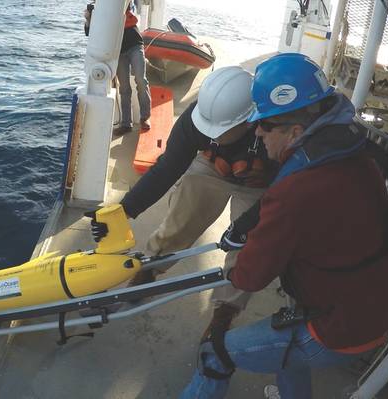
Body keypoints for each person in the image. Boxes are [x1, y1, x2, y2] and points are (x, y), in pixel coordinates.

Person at [179, 53, 388, 399]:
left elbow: (250, 276)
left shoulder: (297, 190)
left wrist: (238, 265)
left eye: (266, 124)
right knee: (289, 355)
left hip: (338, 328)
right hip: (379, 303)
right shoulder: (359, 153)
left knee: (214, 351)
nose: (257, 131)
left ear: (296, 131)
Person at [86, 66, 277, 337]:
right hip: (214, 167)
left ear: (249, 122)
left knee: (248, 252)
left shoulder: (277, 130)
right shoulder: (199, 117)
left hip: (262, 185)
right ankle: (145, 276)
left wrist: (245, 224)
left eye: (218, 131)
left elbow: (288, 188)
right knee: (178, 222)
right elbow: (167, 168)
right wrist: (122, 211)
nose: (209, 134)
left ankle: (224, 315)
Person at [84, 1, 151, 136]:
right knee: (124, 87)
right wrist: (87, 19)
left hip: (135, 45)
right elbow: (89, 32)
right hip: (118, 52)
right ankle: (126, 124)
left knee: (141, 80)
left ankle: (145, 117)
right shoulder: (95, 8)